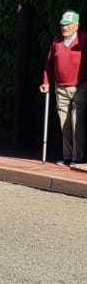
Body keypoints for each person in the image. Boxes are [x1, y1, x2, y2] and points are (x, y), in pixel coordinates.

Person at [42, 9, 84, 168]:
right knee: (64, 123)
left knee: (76, 122)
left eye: (67, 25)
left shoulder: (83, 39)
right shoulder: (57, 41)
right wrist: (46, 81)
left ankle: (78, 158)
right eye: (62, 25)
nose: (64, 28)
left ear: (76, 25)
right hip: (60, 87)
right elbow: (49, 64)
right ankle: (67, 156)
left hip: (80, 86)